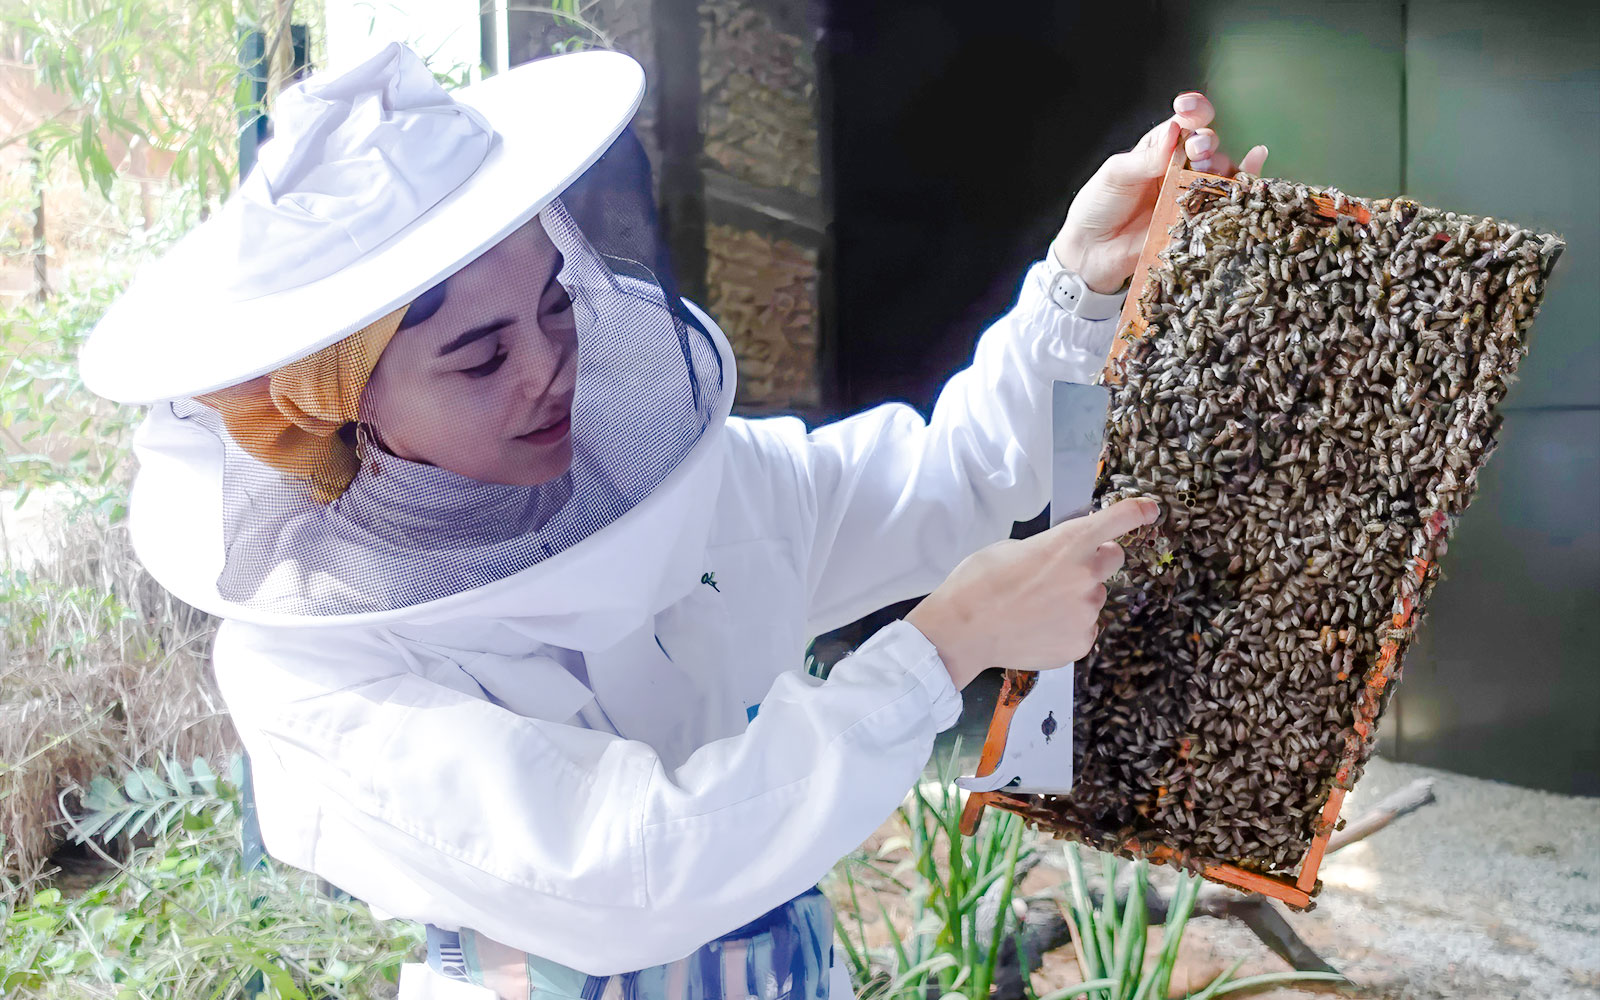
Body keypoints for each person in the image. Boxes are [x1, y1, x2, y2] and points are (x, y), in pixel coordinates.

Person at [80, 42, 1267, 1000]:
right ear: (338, 407)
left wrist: (1078, 282)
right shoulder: (314, 668)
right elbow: (629, 866)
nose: (550, 368)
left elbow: (953, 479)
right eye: (483, 353)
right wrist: (939, 648)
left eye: (553, 307)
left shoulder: (695, 493)